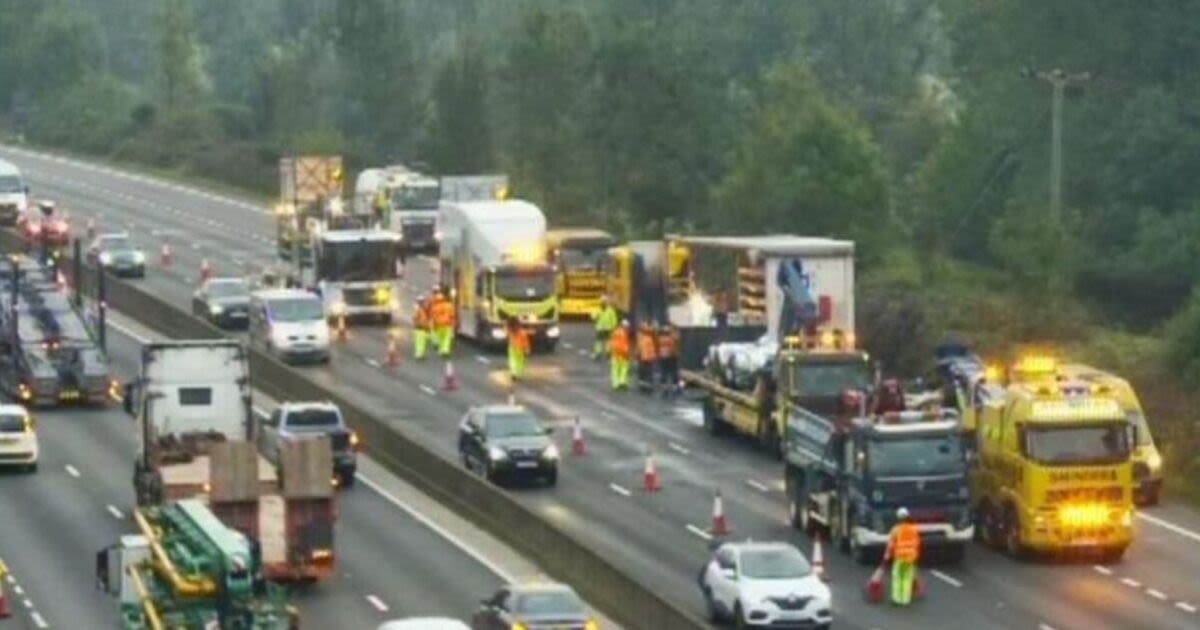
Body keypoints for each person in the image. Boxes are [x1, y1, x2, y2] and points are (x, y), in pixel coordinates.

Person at [884, 507, 921, 606]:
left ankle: (897, 599)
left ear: (898, 518)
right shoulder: (914, 529)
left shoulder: (896, 529)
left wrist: (887, 556)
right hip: (910, 558)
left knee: (897, 577)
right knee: (907, 578)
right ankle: (905, 600)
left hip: (900, 557)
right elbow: (917, 543)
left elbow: (891, 544)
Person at [591, 296, 619, 360]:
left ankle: (606, 353)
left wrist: (614, 327)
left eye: (604, 302)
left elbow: (614, 319)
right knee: (600, 341)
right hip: (601, 328)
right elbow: (593, 318)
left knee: (606, 341)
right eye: (602, 302)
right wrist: (595, 317)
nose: (603, 303)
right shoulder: (598, 310)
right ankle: (600, 353)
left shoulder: (610, 310)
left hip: (606, 328)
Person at [430, 289, 456, 357]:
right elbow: (452, 315)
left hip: (438, 325)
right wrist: (453, 324)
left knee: (440, 339)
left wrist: (434, 326)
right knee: (446, 338)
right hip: (447, 324)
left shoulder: (434, 308)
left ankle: (441, 351)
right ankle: (445, 351)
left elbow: (433, 317)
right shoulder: (449, 306)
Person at [656, 323, 680, 397]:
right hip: (671, 357)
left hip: (663, 356)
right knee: (673, 372)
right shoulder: (671, 338)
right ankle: (674, 388)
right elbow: (676, 341)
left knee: (664, 372)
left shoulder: (660, 339)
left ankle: (664, 388)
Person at [636, 320, 658, 393]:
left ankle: (643, 386)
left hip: (643, 357)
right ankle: (647, 386)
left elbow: (639, 347)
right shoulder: (649, 338)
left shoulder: (641, 336)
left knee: (643, 372)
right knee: (648, 372)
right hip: (648, 358)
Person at [609, 320, 632, 390]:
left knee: (615, 370)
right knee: (623, 369)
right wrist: (627, 354)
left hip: (615, 354)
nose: (627, 328)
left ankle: (616, 384)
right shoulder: (624, 333)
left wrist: (610, 351)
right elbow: (624, 345)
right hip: (622, 354)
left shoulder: (615, 332)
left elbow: (612, 343)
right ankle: (622, 382)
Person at [412, 294, 432, 360]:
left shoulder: (422, 309)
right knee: (420, 342)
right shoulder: (418, 309)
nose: (423, 302)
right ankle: (419, 355)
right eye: (422, 301)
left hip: (422, 328)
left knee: (422, 343)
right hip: (420, 328)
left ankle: (421, 354)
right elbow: (415, 318)